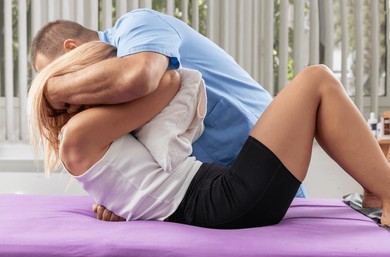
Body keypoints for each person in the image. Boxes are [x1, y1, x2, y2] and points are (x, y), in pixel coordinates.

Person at [29, 41, 390, 229]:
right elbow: (167, 80)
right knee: (316, 79)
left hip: (223, 197)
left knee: (315, 89)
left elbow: (133, 187)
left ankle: (378, 191)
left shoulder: (79, 137)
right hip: (226, 199)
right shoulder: (80, 132)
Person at [30, 8, 307, 201]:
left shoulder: (137, 26)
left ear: (71, 49)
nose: (68, 102)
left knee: (315, 81)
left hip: (267, 154)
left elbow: (141, 76)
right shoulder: (105, 102)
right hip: (221, 190)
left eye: (56, 73)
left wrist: (51, 89)